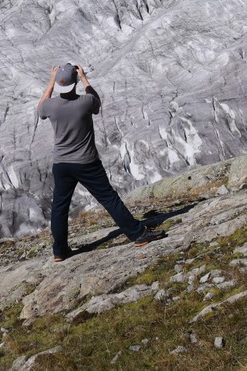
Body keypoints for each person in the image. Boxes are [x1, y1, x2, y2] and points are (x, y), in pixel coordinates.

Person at [34, 63, 159, 261]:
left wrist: (51, 81)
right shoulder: (84, 102)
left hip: (61, 164)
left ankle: (59, 251)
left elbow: (40, 108)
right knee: (108, 198)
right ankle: (137, 234)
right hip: (86, 162)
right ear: (75, 84)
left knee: (59, 207)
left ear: (58, 85)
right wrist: (83, 78)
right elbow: (96, 101)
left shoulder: (50, 107)